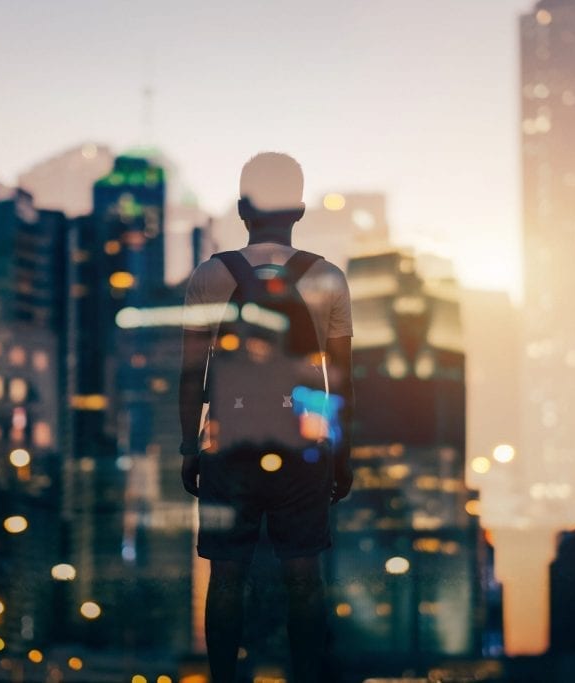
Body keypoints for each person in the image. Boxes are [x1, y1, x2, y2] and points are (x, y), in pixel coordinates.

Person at [178, 152, 354, 683]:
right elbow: (340, 381)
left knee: (226, 576)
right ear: (299, 210)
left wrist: (191, 447)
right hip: (301, 449)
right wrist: (339, 454)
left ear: (241, 208)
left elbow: (191, 373)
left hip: (228, 447)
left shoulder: (210, 276)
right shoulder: (326, 278)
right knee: (303, 576)